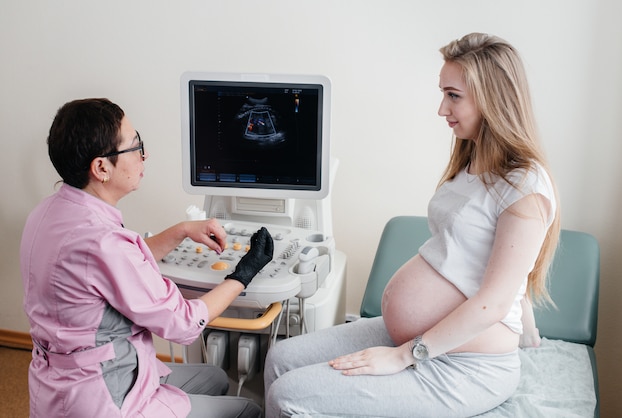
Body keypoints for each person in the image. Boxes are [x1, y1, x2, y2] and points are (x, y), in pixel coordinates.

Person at [264, 32, 560, 417]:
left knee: (288, 393)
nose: (442, 109)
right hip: (420, 334)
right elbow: (481, 259)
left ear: (492, 99)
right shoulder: (472, 160)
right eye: (443, 93)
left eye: (453, 95)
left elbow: (495, 302)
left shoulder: (525, 187)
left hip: (468, 365)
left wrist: (405, 355)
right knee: (280, 358)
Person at [20, 98, 274, 418]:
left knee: (213, 377)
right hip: (102, 398)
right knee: (248, 410)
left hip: (59, 383)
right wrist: (243, 275)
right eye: (135, 145)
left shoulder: (48, 212)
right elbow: (183, 324)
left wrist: (181, 230)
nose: (144, 154)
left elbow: (113, 269)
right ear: (101, 168)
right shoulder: (103, 242)